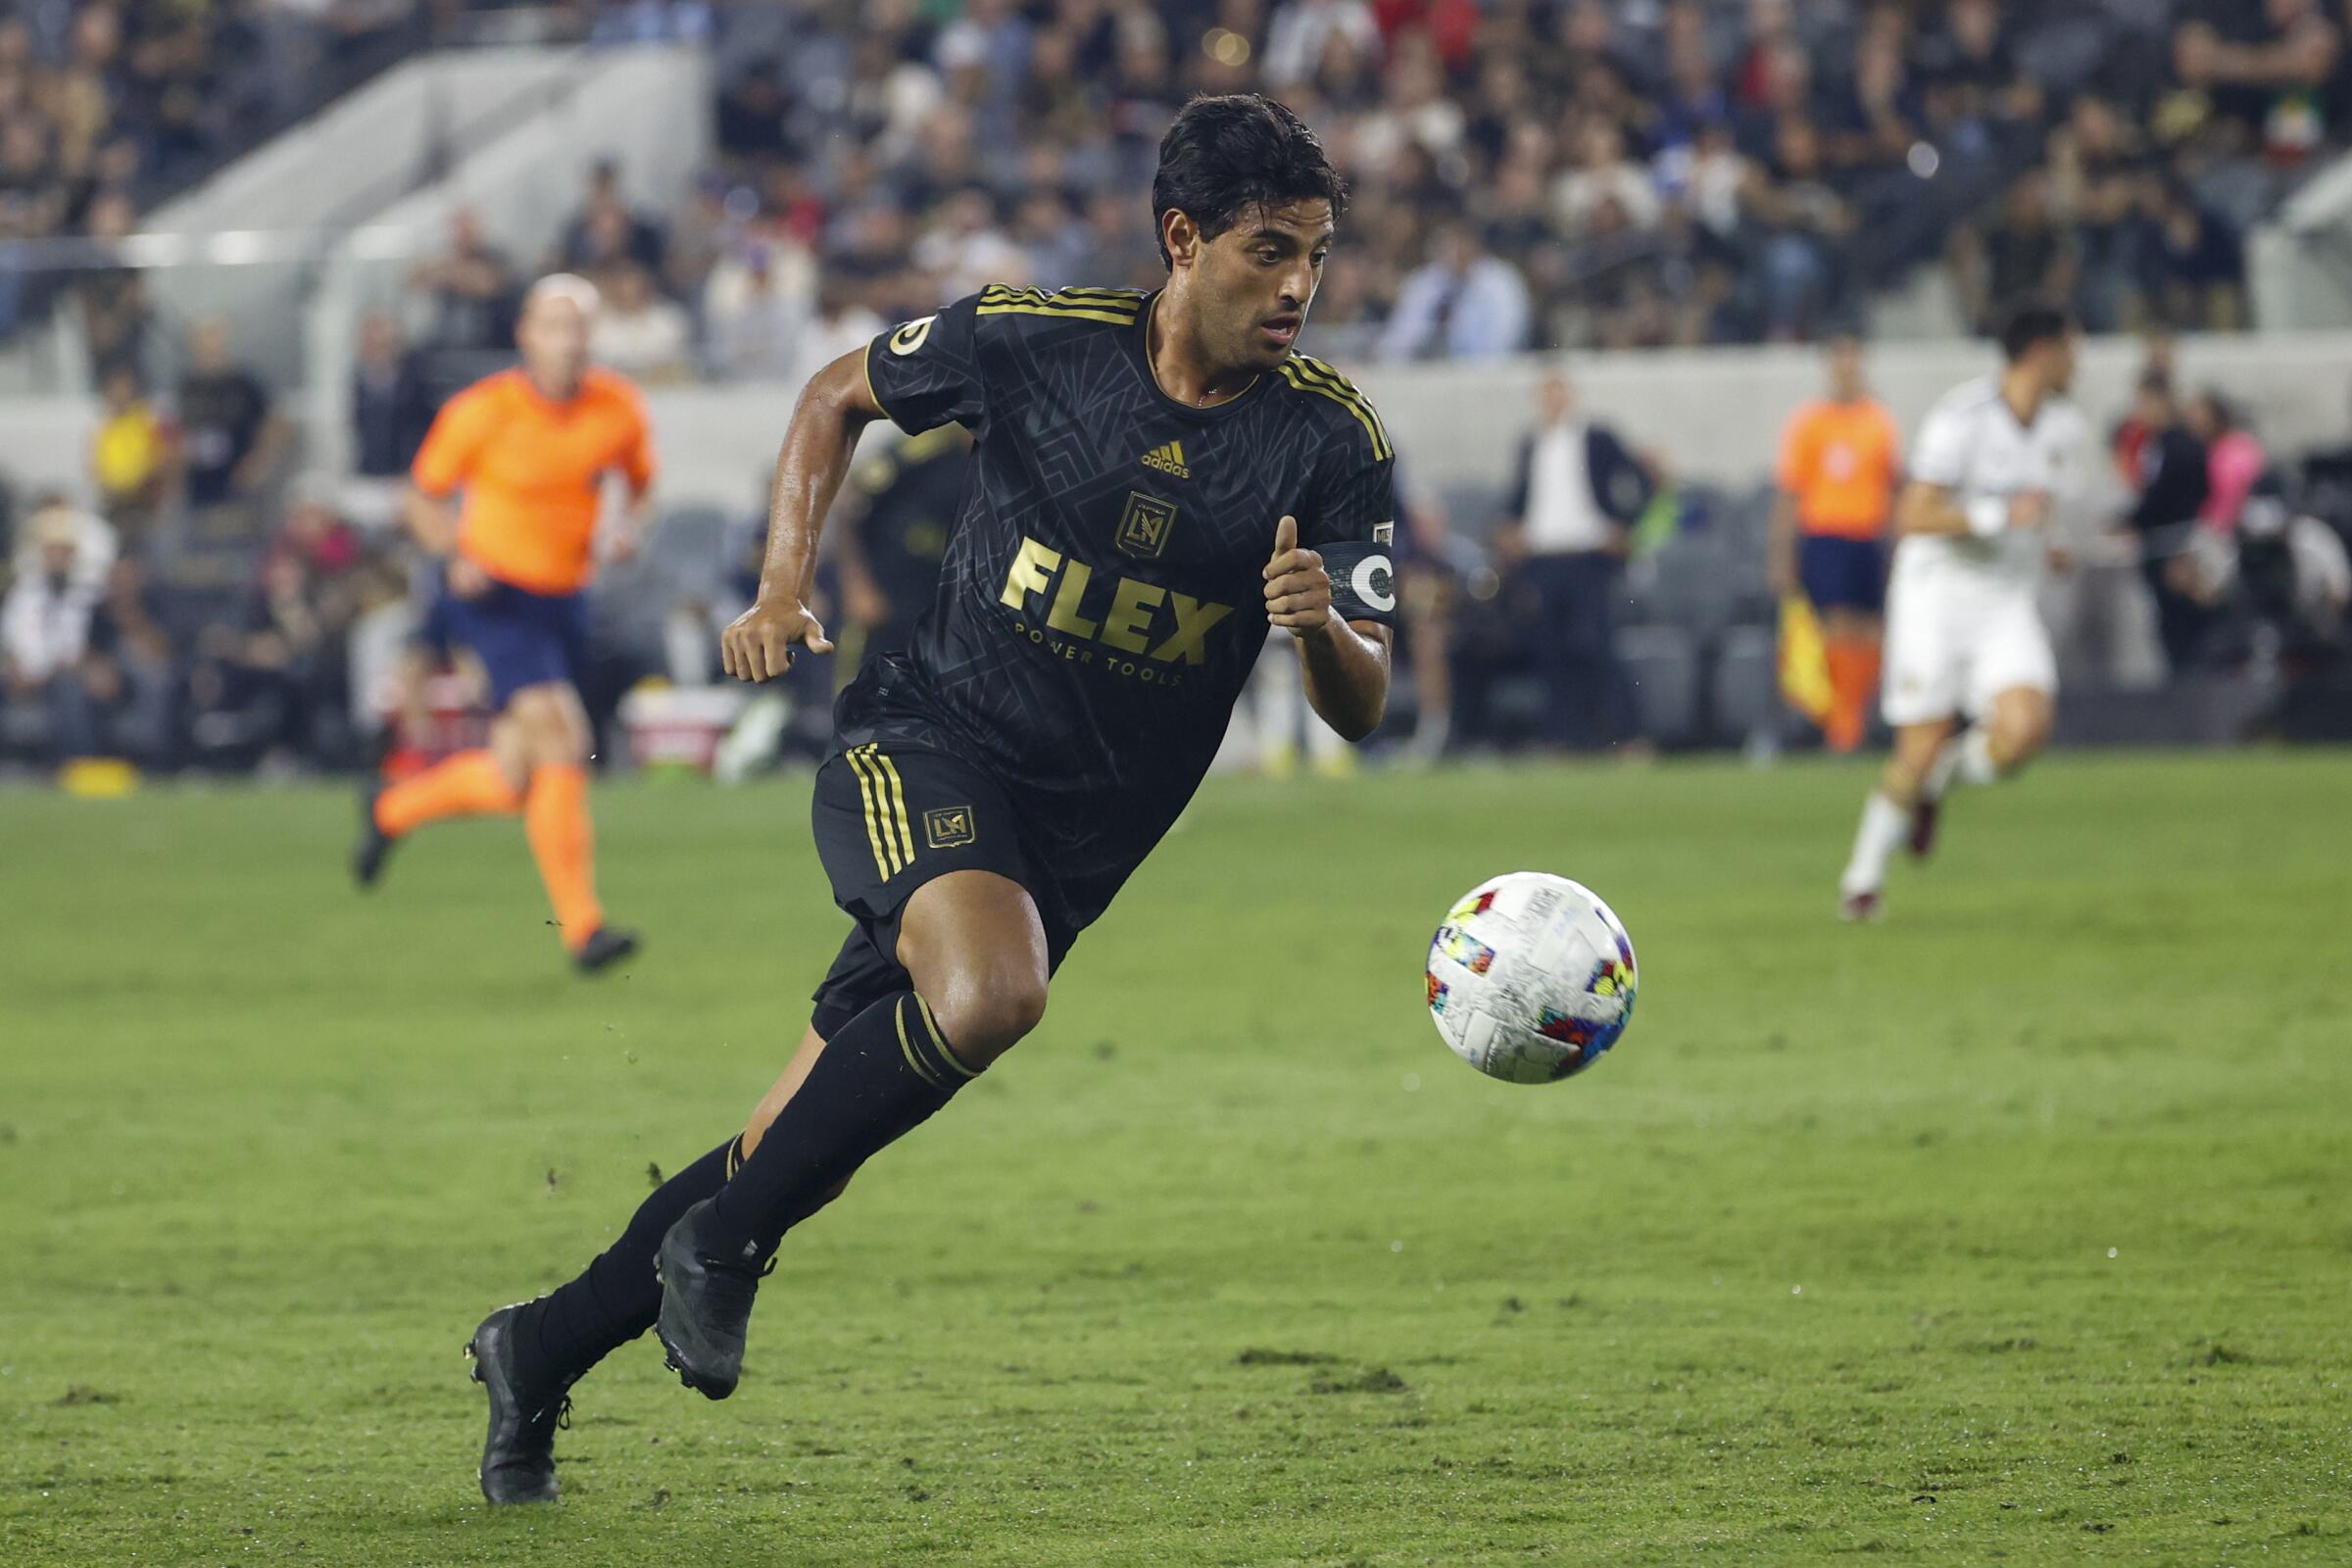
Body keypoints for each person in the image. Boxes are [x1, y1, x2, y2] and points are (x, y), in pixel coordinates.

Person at [462, 93, 1396, 1506]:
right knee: (993, 995)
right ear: (1182, 238)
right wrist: (782, 582)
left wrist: (1321, 628)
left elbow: (1366, 701)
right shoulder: (1038, 343)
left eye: (1316, 256)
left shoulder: (1330, 442)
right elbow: (835, 391)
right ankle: (720, 1252)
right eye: (1269, 252)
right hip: (923, 745)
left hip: (1064, 854)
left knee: (788, 1146)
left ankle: (540, 1348)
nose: (1298, 288)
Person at [352, 274, 654, 973]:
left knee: (519, 774)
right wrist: (453, 554)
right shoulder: (482, 410)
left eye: (579, 327)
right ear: (526, 334)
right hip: (491, 595)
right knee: (564, 736)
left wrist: (627, 527)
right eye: (555, 325)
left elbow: (639, 484)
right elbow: (422, 496)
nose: (568, 341)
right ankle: (584, 929)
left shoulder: (619, 407)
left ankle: (392, 809)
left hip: (564, 600)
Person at [1838, 303, 2086, 920]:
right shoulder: (1964, 417)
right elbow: (1913, 514)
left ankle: (1938, 785)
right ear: (2042, 351)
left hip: (2004, 598)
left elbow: (2046, 512)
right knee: (1917, 744)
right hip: (1937, 594)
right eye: (2069, 345)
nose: (2077, 358)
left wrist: (2054, 545)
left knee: (2025, 731)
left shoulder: (2064, 429)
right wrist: (1998, 516)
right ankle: (1862, 882)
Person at [1497, 371, 1654, 752]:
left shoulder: (1597, 436)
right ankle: (1563, 738)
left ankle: (1628, 735)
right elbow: (1521, 497)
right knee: (1550, 650)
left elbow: (1642, 479)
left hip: (1588, 553)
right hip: (1543, 556)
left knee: (1597, 643)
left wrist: (1626, 527)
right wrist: (1510, 530)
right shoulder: (1531, 442)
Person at [1770, 335, 1901, 753]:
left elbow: (1893, 489)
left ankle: (1859, 715)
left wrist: (1899, 545)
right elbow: (1791, 493)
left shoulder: (1879, 421)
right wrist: (1781, 553)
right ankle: (1842, 726)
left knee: (1870, 629)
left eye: (1853, 355)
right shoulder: (1808, 422)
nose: (1847, 364)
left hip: (1868, 535)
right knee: (1836, 624)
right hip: (1826, 534)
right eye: (1839, 355)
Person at [833, 424, 969, 671]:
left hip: (935, 615)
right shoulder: (928, 445)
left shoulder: (1005, 467)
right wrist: (857, 585)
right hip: (880, 601)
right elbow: (850, 501)